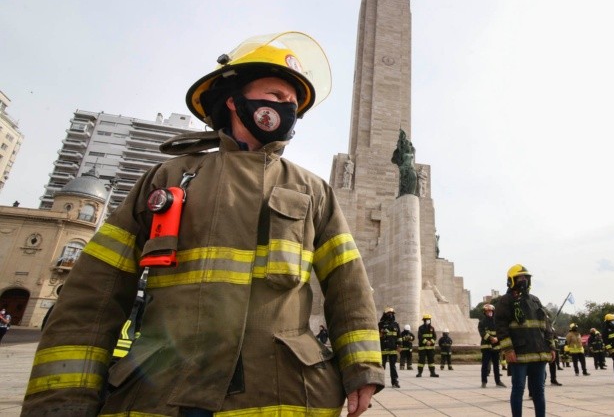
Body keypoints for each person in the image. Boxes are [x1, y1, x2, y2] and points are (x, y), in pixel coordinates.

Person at [21, 31, 384, 417]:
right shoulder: (167, 178)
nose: (287, 108)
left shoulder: (314, 191)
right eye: (276, 96)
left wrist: (362, 367)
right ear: (233, 100)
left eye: (294, 103)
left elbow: (349, 287)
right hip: (162, 392)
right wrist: (61, 402)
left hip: (284, 395)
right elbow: (95, 293)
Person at [495, 264, 556, 417]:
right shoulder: (505, 301)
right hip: (519, 354)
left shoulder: (535, 300)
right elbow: (501, 328)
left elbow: (546, 325)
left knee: (539, 391)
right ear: (511, 280)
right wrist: (508, 350)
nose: (523, 280)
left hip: (539, 353)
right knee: (518, 389)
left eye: (526, 278)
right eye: (519, 278)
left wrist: (552, 346)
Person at [478, 303, 506, 387]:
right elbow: (482, 333)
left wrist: (497, 338)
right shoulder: (482, 322)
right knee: (485, 365)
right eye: (487, 311)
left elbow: (500, 332)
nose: (489, 312)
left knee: (496, 366)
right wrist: (491, 338)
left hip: (496, 346)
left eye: (490, 311)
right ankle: (484, 382)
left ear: (493, 312)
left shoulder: (496, 321)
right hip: (486, 347)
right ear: (484, 312)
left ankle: (498, 381)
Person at [379, 307, 401, 388]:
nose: (390, 315)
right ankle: (379, 382)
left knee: (393, 367)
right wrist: (381, 334)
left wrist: (399, 346)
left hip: (393, 349)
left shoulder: (396, 325)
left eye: (392, 314)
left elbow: (399, 336)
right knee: (381, 366)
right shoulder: (380, 324)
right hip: (383, 348)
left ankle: (395, 382)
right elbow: (376, 336)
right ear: (385, 314)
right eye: (389, 313)